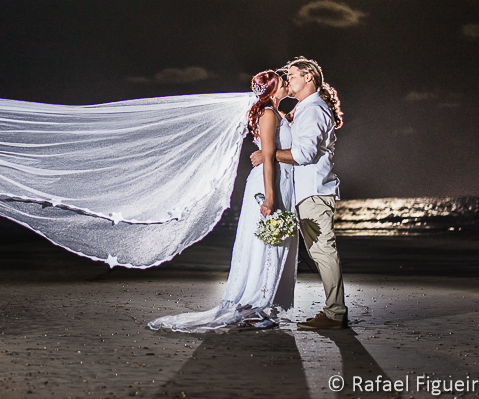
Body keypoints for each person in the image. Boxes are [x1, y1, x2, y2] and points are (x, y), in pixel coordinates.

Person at [148, 70, 299, 332]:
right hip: (268, 184)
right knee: (263, 244)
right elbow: (267, 159)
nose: (287, 86)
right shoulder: (267, 115)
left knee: (270, 244)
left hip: (280, 182)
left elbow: (273, 153)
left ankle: (261, 304)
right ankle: (251, 306)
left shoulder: (277, 114)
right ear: (273, 89)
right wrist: (270, 197)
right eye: (283, 84)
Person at [252, 57, 347, 330]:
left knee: (323, 251)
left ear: (309, 78)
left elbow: (304, 154)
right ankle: (334, 311)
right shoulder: (305, 109)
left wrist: (268, 154)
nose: (288, 79)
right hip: (308, 192)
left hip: (314, 192)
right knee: (319, 251)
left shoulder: (314, 109)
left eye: (292, 75)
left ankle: (335, 313)